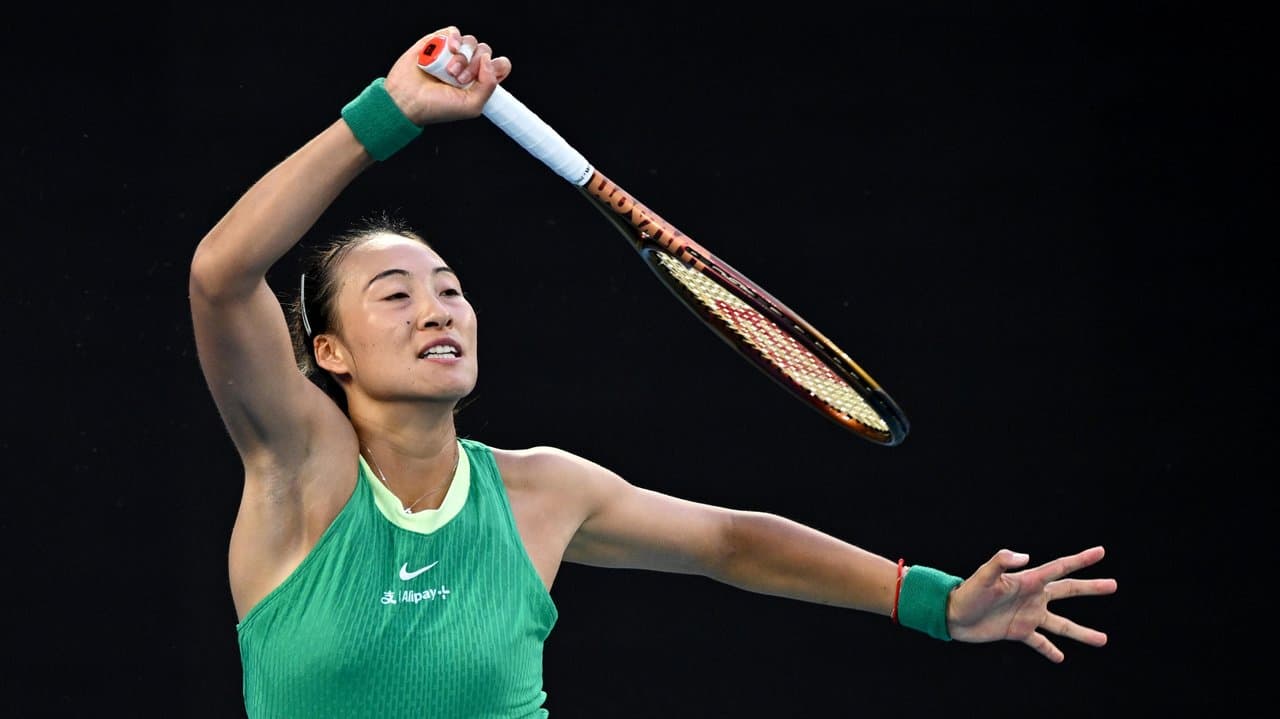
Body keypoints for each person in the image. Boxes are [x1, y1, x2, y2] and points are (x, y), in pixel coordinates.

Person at [189, 25, 1118, 719]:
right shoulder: (298, 471)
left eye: (450, 288)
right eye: (394, 295)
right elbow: (222, 275)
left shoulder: (542, 492)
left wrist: (935, 603)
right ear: (328, 353)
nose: (437, 308)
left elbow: (729, 540)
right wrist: (388, 114)